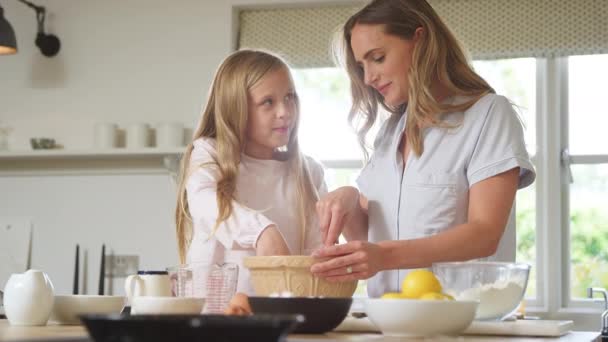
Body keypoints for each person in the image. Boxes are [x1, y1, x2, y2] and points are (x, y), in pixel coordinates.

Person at [311, 0, 536, 298]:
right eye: (361, 66)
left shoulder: (489, 115)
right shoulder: (389, 134)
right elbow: (369, 237)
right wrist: (349, 199)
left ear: (420, 41)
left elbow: (484, 234)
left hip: (461, 323)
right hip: (388, 320)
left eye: (377, 58)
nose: (368, 78)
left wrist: (384, 256)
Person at [175, 49, 327, 295]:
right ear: (236, 108)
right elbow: (204, 203)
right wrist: (261, 231)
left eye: (289, 97)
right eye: (268, 102)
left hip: (281, 316)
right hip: (214, 317)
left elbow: (315, 254)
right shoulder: (208, 154)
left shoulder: (308, 172)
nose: (284, 111)